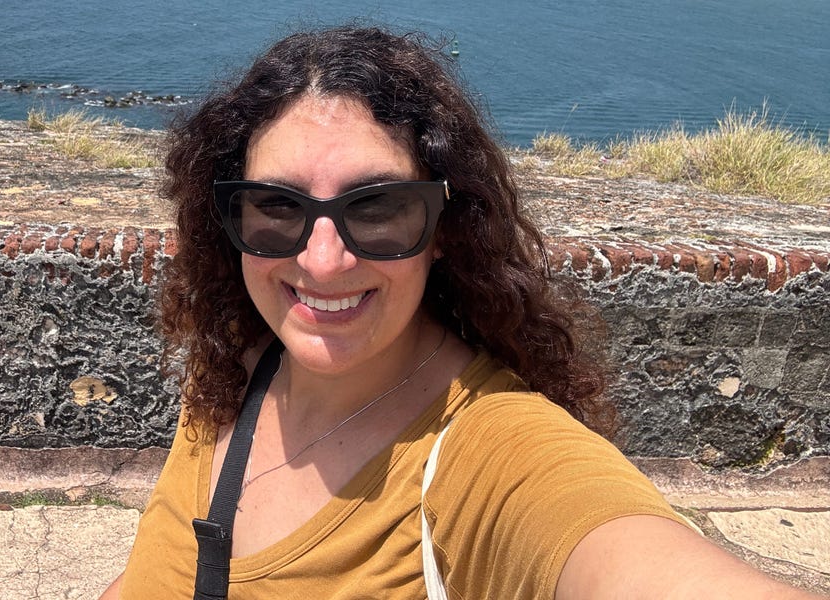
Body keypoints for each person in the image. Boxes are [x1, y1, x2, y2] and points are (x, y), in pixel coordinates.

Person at [101, 26, 823, 599]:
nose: (322, 261)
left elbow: (620, 552)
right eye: (276, 207)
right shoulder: (233, 370)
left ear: (443, 229)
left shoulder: (489, 449)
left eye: (379, 208)